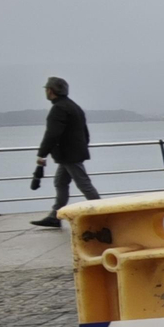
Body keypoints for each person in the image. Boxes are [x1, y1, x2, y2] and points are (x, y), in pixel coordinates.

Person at [29, 77, 99, 227]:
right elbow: (84, 133)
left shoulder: (59, 109)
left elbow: (52, 134)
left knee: (83, 184)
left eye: (47, 89)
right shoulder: (74, 106)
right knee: (60, 182)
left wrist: (42, 154)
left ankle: (103, 212)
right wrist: (81, 147)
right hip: (71, 153)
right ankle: (55, 215)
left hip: (68, 155)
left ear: (51, 91)